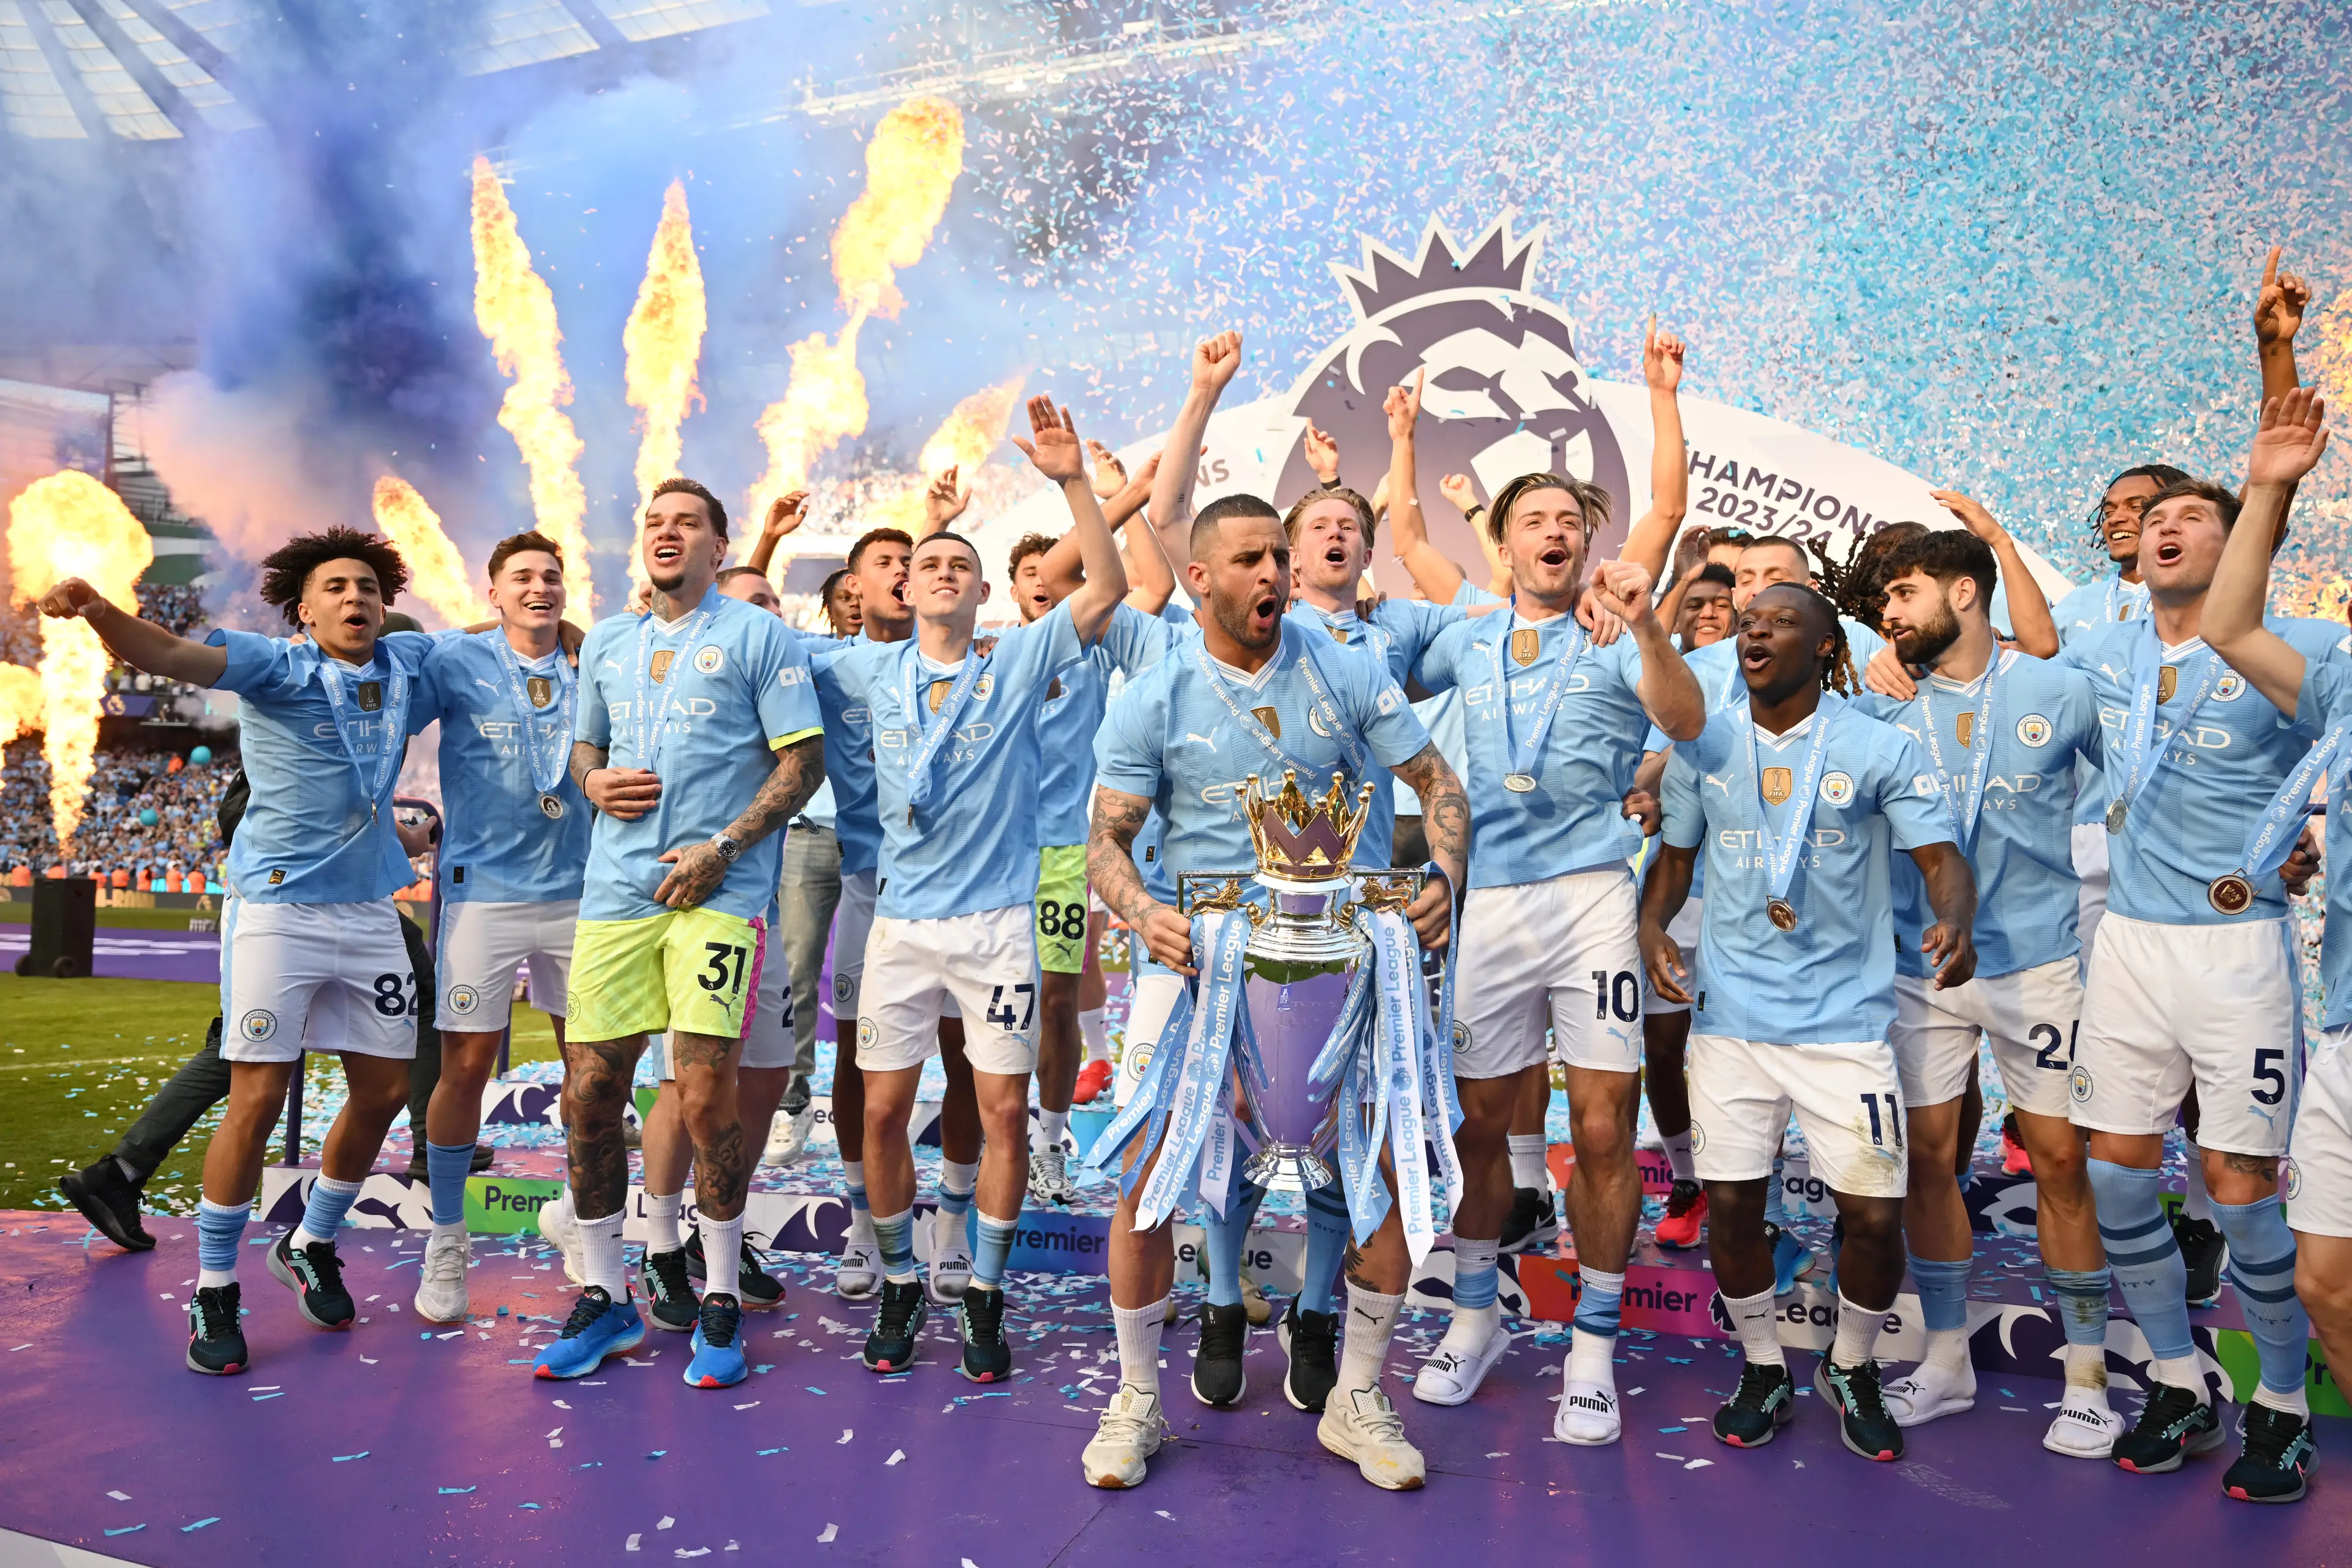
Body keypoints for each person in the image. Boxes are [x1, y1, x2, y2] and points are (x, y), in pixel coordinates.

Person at [1083, 488, 1469, 1491]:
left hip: (1342, 957)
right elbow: (1106, 841)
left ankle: (1359, 1396)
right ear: (1201, 577)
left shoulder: (1346, 666)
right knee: (1151, 1176)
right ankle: (1134, 1401)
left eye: (1277, 558)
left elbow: (1439, 785)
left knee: (1379, 1171)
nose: (1272, 575)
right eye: (1250, 559)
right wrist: (1138, 908)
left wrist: (1443, 878)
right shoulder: (1154, 690)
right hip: (1197, 959)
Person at [42, 528, 448, 1376]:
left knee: (379, 1092)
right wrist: (94, 609)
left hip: (370, 909)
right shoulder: (275, 665)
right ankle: (216, 1287)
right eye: (336, 587)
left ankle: (311, 1242)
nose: (356, 598)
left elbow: (491, 652)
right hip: (276, 910)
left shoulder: (409, 668)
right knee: (257, 1094)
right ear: (304, 610)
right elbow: (166, 651)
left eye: (369, 587)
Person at [826, 398, 1133, 1383]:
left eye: (962, 564)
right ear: (902, 590)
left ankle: (985, 1293)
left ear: (981, 589)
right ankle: (903, 1280)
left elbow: (1112, 582)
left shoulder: (1019, 660)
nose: (946, 574)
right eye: (930, 565)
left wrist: (1072, 481)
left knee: (1001, 1113)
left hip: (996, 925)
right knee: (879, 1114)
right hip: (902, 929)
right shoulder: (865, 670)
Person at [1642, 582, 1977, 1463]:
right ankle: (1760, 1367)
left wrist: (1956, 916)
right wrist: (1649, 925)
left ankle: (1852, 1365)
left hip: (1844, 1027)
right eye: (1750, 620)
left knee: (1873, 1215)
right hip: (1732, 1026)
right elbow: (1673, 863)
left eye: (1783, 620)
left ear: (1827, 648)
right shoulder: (1704, 747)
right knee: (1732, 1209)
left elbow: (1942, 859)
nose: (1756, 628)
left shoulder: (1878, 747)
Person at [1406, 471, 1704, 1442]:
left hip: (1591, 900)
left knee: (1606, 1125)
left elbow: (1687, 720)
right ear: (1504, 545)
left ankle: (1593, 1348)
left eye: (1569, 522)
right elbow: (1369, 657)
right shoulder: (1464, 635)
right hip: (1487, 901)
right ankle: (1477, 1316)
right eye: (1532, 521)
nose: (1553, 533)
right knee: (1480, 1128)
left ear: (1587, 543)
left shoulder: (1615, 632)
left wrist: (1647, 622)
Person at [2055, 453, 2332, 1494]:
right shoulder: (2099, 653)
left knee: (2239, 1189)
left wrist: (2300, 847)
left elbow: (2334, 771)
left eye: (2192, 517)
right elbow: (1993, 684)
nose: (2164, 527)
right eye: (2152, 517)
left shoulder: (2298, 648)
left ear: (2241, 543)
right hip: (2128, 945)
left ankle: (2283, 1402)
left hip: (2237, 951)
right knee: (2121, 1174)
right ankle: (2178, 1378)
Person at [532, 477, 825, 1392]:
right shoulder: (611, 640)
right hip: (614, 895)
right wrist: (589, 783)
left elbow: (803, 763)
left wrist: (726, 847)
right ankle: (606, 1294)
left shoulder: (759, 634)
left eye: (686, 523)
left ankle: (723, 1293)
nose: (666, 534)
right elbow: (584, 747)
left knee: (703, 1096)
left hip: (717, 896)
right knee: (589, 1093)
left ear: (716, 542)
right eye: (654, 522)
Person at [1857, 529, 2121, 1455]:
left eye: (1904, 593)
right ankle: (1946, 1360)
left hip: (2037, 963)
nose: (1889, 614)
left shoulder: (2060, 689)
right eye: (1885, 601)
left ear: (1964, 593)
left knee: (2057, 1160)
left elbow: (2135, 786)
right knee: (1928, 1162)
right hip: (1918, 966)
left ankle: (2087, 1378)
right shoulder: (1881, 705)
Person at [2203, 385, 2338, 1504]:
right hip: (2344, 1022)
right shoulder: (2341, 673)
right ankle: (2290, 1404)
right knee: (2330, 1281)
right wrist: (2270, 486)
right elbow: (2231, 627)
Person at [410, 532, 591, 1323]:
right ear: (496, 593)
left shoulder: (598, 665)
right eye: (522, 577)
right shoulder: (455, 660)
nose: (539, 587)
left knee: (594, 1071)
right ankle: (447, 1238)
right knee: (466, 1068)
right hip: (481, 893)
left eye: (551, 576)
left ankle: (584, 1216)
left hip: (585, 894)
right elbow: (381, 714)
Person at [997, 447, 1173, 1209]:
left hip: (1070, 856)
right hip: (994, 858)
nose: (1044, 582)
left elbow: (1155, 584)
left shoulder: (1098, 645)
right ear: (1011, 590)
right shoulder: (992, 654)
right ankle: (991, 1150)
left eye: (1054, 571)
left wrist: (1120, 496)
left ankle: (1049, 1141)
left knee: (1060, 1001)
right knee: (1000, 1004)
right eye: (1030, 576)